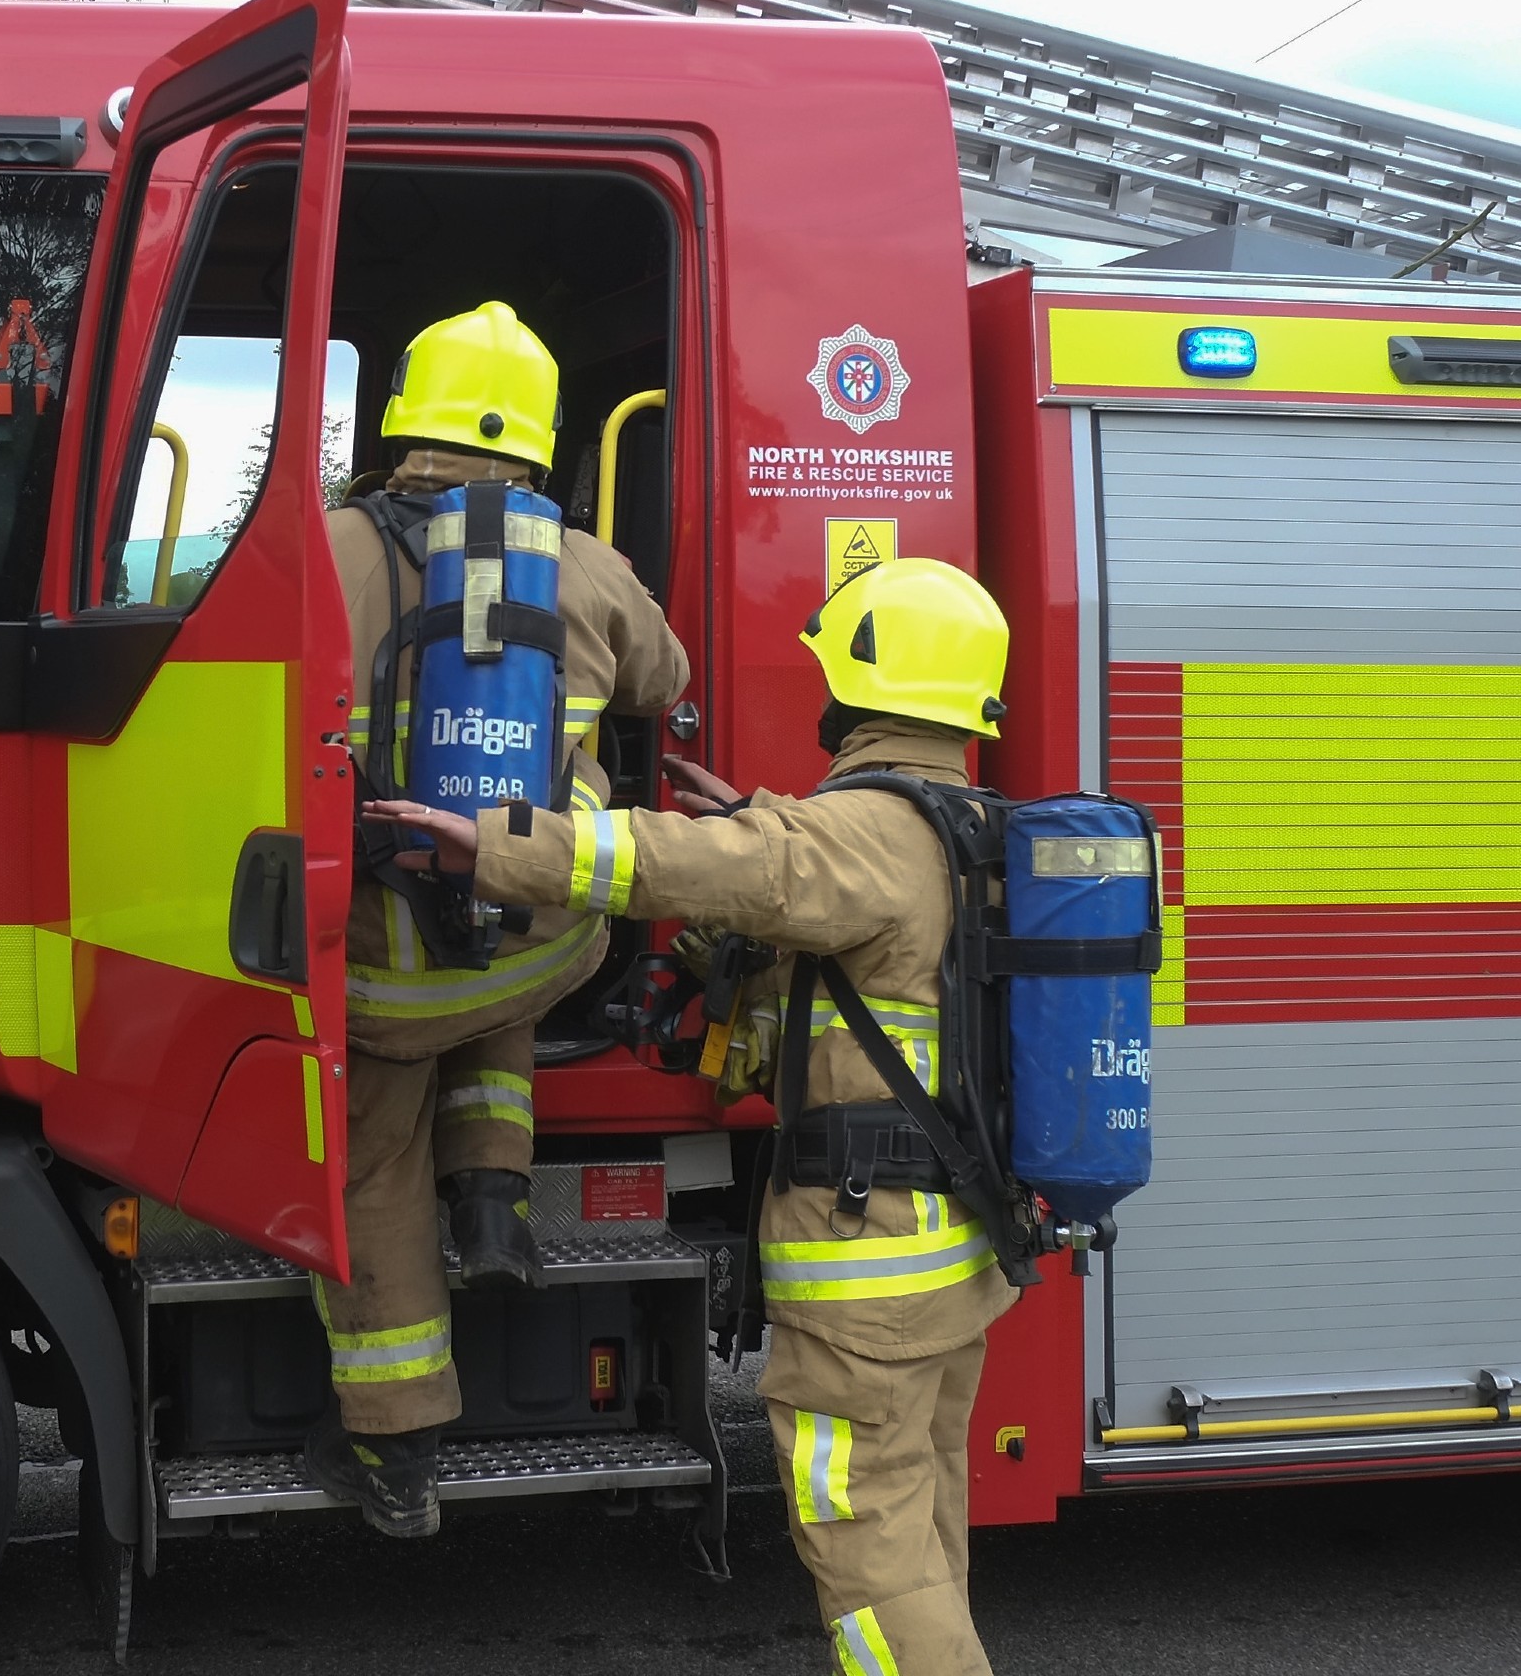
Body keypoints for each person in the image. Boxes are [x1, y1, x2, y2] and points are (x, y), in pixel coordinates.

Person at [365, 557, 1018, 1676]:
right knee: (920, 1524)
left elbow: (691, 864)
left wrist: (507, 848)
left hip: (868, 1266)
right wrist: (762, 824)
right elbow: (812, 892)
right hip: (951, 1259)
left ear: (861, 690)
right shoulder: (963, 822)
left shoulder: (861, 834)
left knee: (866, 1552)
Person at [305, 301, 690, 1538]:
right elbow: (666, 681)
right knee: (506, 950)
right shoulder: (578, 562)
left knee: (372, 1156)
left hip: (371, 967)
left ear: (402, 420)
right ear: (536, 440)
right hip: (536, 939)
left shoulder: (322, 551)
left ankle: (401, 1443)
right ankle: (494, 1200)